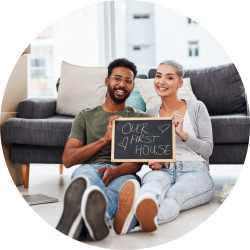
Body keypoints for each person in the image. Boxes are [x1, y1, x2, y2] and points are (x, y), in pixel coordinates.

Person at [114, 60, 215, 234]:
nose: (161, 81)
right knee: (150, 189)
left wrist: (184, 136)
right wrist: (152, 161)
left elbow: (208, 150)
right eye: (158, 76)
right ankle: (137, 213)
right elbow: (148, 150)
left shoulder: (197, 108)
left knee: (174, 197)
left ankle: (135, 221)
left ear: (180, 83)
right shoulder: (151, 112)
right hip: (163, 169)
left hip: (195, 170)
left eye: (169, 77)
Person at [56, 58, 147, 241]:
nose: (122, 84)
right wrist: (105, 139)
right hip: (91, 167)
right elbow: (68, 159)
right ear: (107, 80)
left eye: (128, 81)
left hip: (123, 172)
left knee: (123, 190)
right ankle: (100, 220)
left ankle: (81, 220)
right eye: (117, 78)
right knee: (85, 178)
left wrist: (115, 172)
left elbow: (136, 164)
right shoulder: (85, 116)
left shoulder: (139, 118)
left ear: (132, 86)